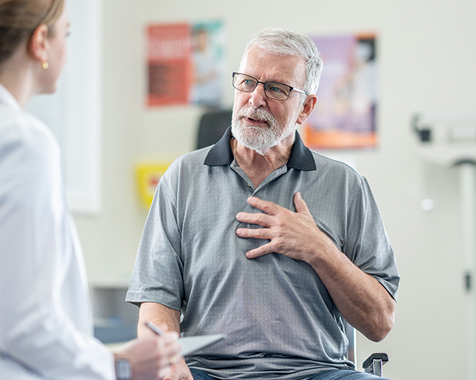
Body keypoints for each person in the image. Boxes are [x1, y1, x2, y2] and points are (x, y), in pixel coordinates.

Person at [0, 1, 181, 380]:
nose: (68, 48)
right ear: (40, 42)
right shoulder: (18, 142)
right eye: (67, 34)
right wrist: (117, 366)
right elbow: (24, 324)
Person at [126, 28, 399, 380]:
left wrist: (319, 248)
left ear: (306, 107)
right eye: (247, 82)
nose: (255, 99)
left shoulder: (346, 186)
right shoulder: (182, 178)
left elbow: (379, 322)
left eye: (276, 88)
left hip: (316, 372)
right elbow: (156, 305)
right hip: (209, 373)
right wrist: (169, 362)